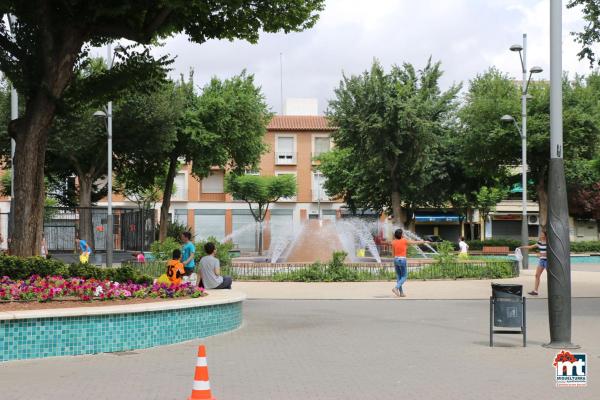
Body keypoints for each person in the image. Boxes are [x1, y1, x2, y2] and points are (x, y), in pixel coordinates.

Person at [391, 229, 429, 297]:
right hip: (402, 260)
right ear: (401, 234)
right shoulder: (404, 240)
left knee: (399, 277)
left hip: (396, 259)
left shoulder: (393, 242)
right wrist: (423, 241)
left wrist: (395, 260)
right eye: (402, 233)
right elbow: (414, 242)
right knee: (404, 276)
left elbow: (393, 254)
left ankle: (401, 293)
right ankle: (396, 288)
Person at [520, 230, 547, 296]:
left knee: (551, 278)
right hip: (542, 261)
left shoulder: (549, 243)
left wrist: (540, 255)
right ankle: (535, 291)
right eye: (540, 234)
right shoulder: (540, 242)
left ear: (545, 235)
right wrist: (521, 247)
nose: (541, 235)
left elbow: (549, 253)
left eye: (542, 234)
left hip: (547, 261)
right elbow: (531, 247)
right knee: (537, 275)